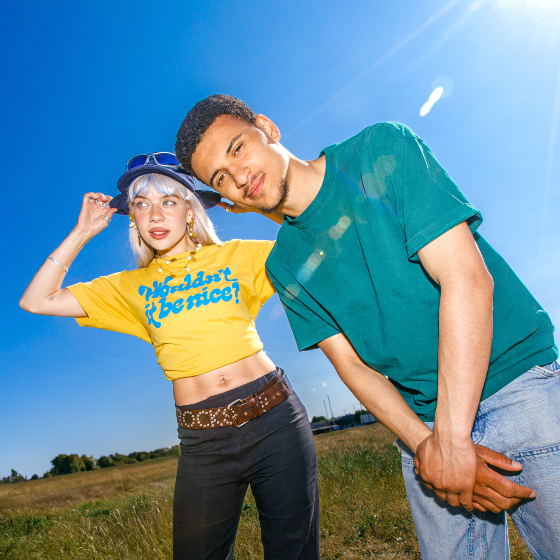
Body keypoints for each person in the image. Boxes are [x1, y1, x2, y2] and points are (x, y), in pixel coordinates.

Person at [175, 95, 560, 560]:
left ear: (267, 128)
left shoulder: (380, 149)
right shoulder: (284, 266)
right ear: (229, 203)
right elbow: (352, 366)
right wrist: (428, 446)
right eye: (220, 178)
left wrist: (453, 440)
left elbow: (466, 278)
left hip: (517, 388)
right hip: (421, 429)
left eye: (237, 148)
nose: (238, 177)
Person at [19, 153, 320, 560]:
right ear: (133, 220)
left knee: (294, 552)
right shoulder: (128, 286)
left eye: (169, 201)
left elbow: (312, 239)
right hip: (203, 441)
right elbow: (37, 301)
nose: (155, 214)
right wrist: (81, 232)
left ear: (191, 209)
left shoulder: (236, 256)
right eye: (142, 204)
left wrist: (252, 204)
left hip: (275, 418)